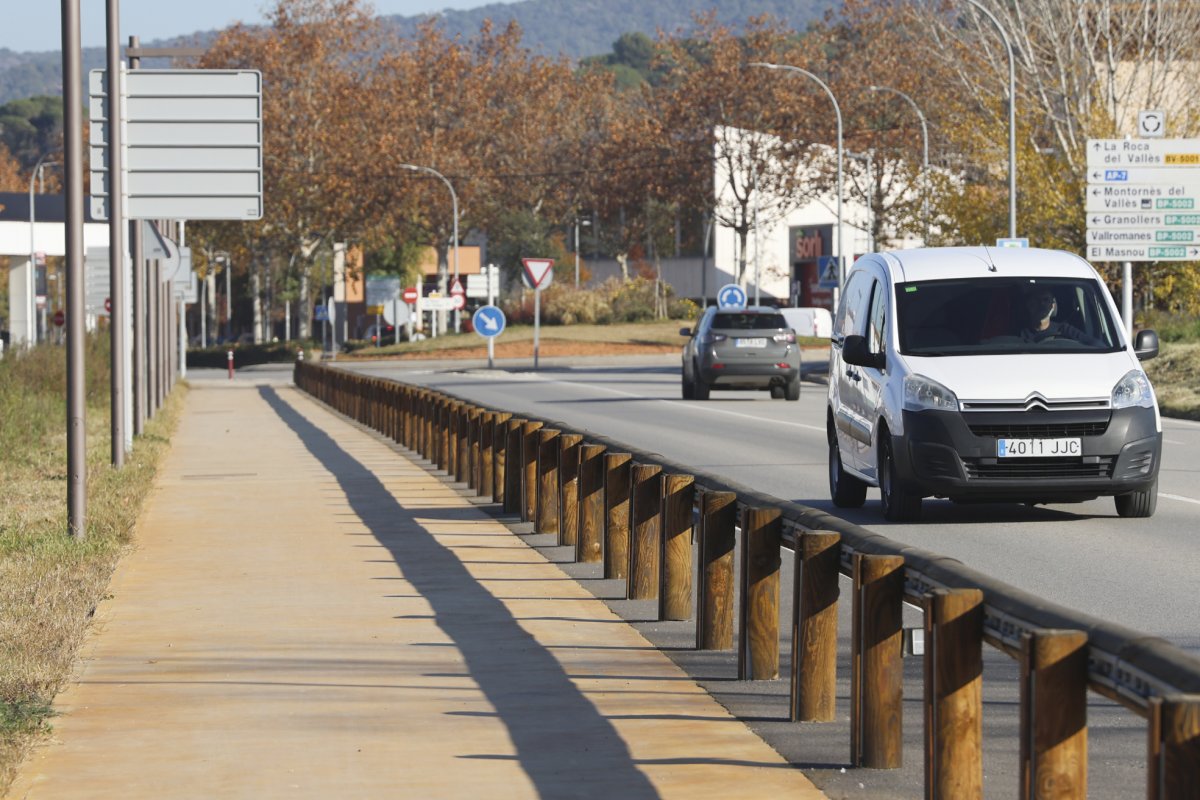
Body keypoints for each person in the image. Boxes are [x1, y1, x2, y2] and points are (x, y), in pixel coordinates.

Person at [1019, 288, 1102, 346]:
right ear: (1029, 305)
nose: (1042, 304)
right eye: (1036, 300)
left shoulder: (1064, 330)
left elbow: (1095, 345)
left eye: (1046, 300)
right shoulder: (1017, 332)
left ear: (1053, 306)